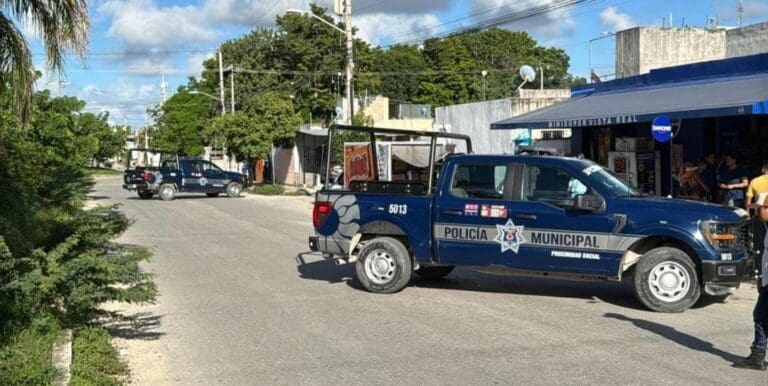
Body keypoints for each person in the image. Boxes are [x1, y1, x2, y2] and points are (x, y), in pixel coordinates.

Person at [734, 192, 768, 371]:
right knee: (761, 317)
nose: (757, 212)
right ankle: (758, 354)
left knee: (761, 317)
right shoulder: (760, 225)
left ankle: (757, 355)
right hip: (765, 281)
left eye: (761, 209)